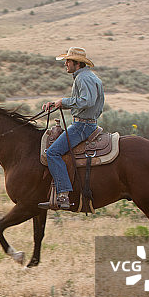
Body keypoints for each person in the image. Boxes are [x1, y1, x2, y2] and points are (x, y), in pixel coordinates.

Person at [39, 47, 104, 210]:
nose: (65, 64)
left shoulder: (83, 78)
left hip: (82, 126)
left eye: (68, 61)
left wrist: (64, 102)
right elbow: (85, 101)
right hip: (86, 123)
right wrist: (56, 104)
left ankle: (63, 195)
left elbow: (87, 101)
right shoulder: (88, 76)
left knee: (52, 153)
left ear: (77, 63)